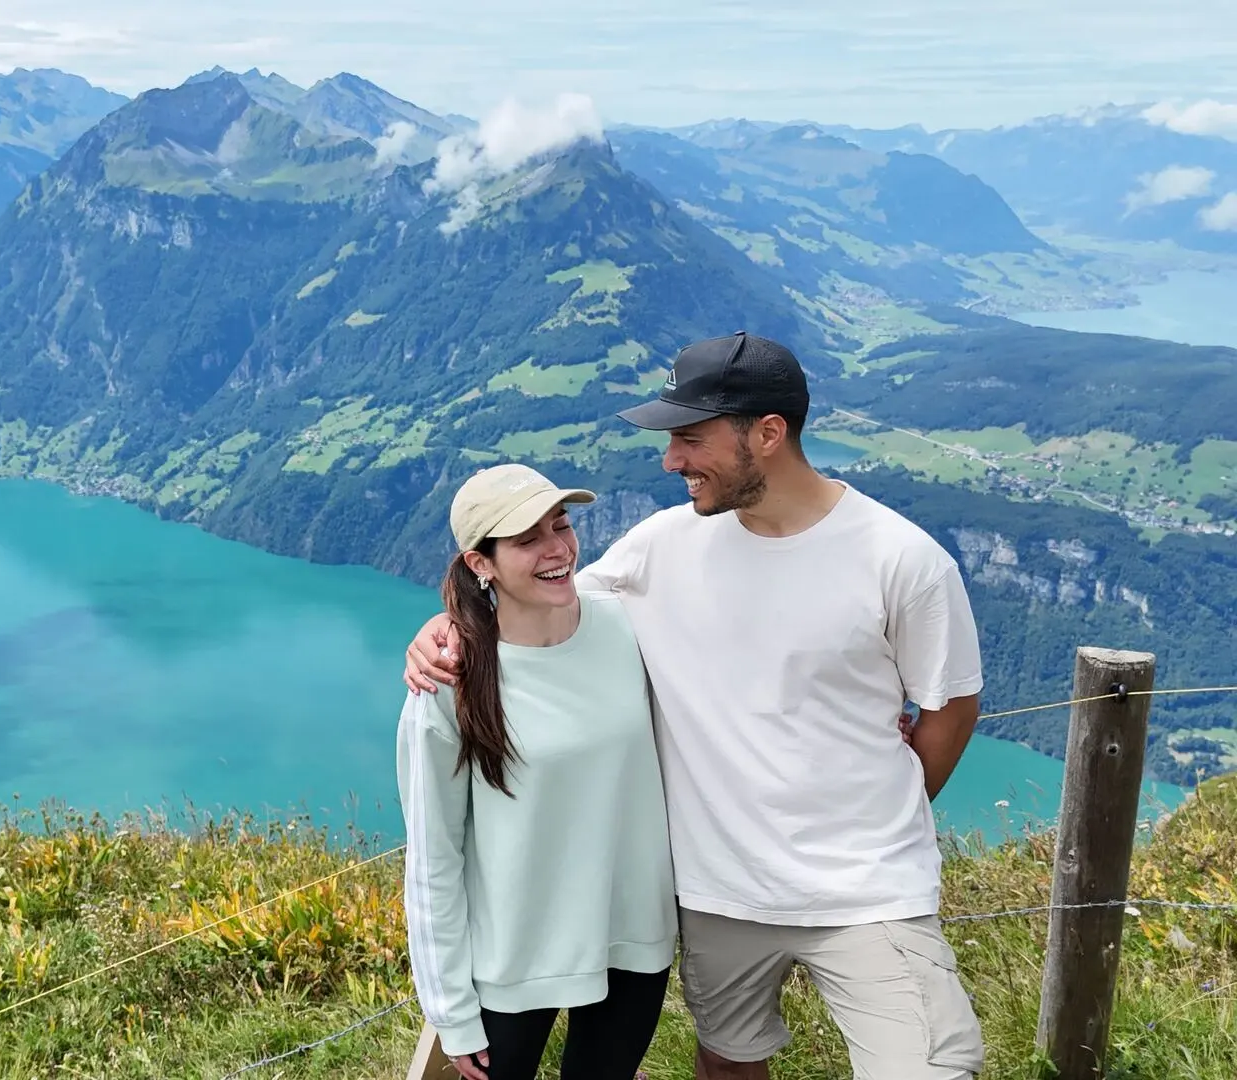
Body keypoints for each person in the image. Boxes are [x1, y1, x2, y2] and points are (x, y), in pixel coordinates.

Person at [403, 332, 987, 1080]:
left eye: (689, 438)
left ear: (768, 434)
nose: (670, 460)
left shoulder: (902, 560)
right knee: (730, 1064)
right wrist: (449, 626)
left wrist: (890, 809)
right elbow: (541, 601)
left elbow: (952, 705)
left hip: (864, 890)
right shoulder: (664, 546)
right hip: (719, 896)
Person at [398, 462, 678, 1080]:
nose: (557, 549)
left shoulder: (627, 626)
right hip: (513, 965)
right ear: (481, 564)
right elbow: (433, 860)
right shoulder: (448, 686)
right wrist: (451, 1011)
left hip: (633, 938)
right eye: (527, 540)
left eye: (562, 525)